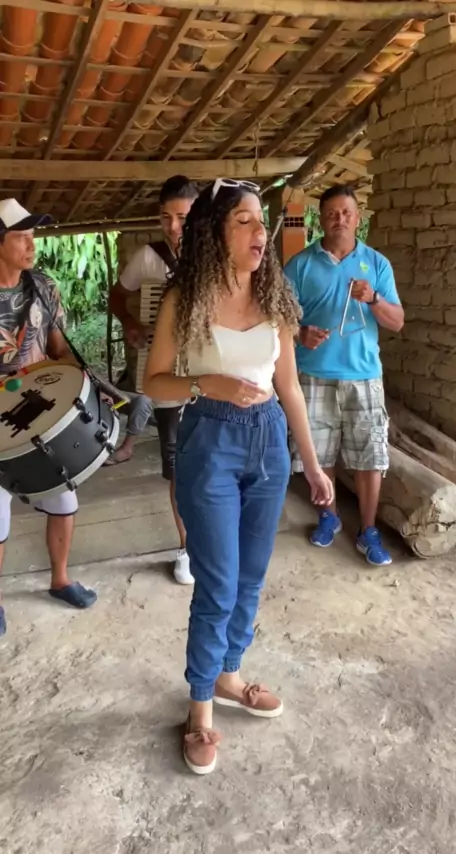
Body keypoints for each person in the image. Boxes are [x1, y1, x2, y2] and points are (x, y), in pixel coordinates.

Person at [144, 178, 334, 775]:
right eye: (244, 221)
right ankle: (200, 708)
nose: (260, 233)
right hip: (211, 439)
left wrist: (312, 464)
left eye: (261, 222)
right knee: (219, 583)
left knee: (250, 577)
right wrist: (208, 383)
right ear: (215, 233)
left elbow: (289, 387)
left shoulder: (275, 297)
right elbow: (153, 381)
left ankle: (229, 675)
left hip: (270, 442)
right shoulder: (186, 299)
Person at [284, 184, 404, 567]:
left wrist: (373, 299)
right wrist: (299, 333)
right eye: (332, 213)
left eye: (346, 212)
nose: (340, 219)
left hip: (364, 375)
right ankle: (329, 516)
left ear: (357, 217)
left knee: (370, 455)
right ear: (321, 219)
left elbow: (397, 322)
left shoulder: (376, 264)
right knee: (320, 453)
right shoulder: (300, 265)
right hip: (313, 374)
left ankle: (368, 530)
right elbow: (277, 319)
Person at [0, 198, 98, 637]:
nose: (31, 244)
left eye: (33, 235)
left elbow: (58, 348)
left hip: (42, 412)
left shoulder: (43, 286)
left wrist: (80, 379)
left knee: (63, 497)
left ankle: (60, 579)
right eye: (21, 236)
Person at [109, 175, 198, 586]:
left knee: (213, 463)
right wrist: (131, 323)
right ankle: (186, 547)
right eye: (166, 218)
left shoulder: (219, 254)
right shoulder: (150, 257)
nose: (173, 227)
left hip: (212, 377)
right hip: (167, 382)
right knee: (177, 465)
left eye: (182, 217)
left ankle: (216, 541)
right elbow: (116, 296)